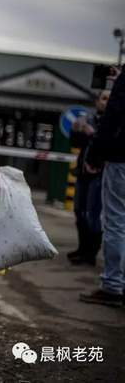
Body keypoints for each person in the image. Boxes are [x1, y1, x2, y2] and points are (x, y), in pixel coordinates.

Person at [80, 69, 125, 307]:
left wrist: (95, 154)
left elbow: (114, 114)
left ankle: (113, 285)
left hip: (121, 159)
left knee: (116, 220)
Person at [67, 90, 110, 266]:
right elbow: (76, 144)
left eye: (108, 99)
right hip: (83, 173)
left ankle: (90, 254)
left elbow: (105, 146)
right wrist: (76, 131)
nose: (105, 102)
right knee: (79, 211)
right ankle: (82, 248)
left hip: (99, 174)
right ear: (97, 101)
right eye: (103, 98)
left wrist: (92, 133)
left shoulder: (112, 123)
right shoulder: (89, 119)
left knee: (93, 214)